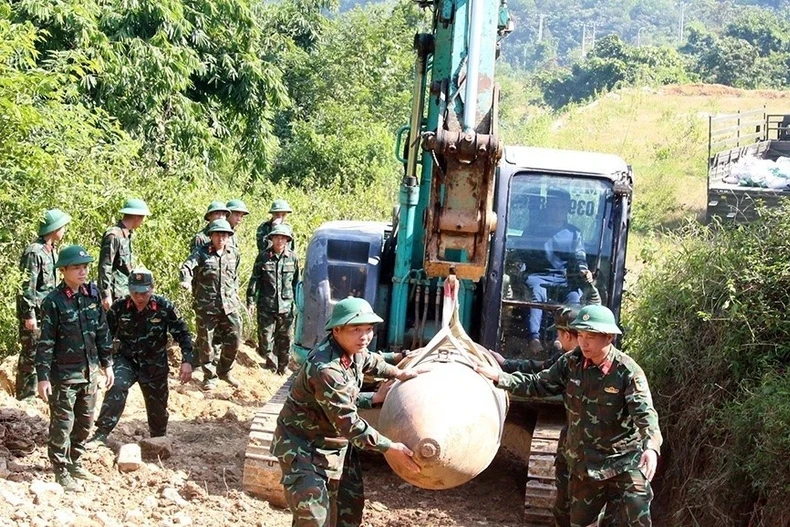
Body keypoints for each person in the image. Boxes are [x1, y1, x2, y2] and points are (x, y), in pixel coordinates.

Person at [477, 305, 662, 527]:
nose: (583, 342)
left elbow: (645, 414)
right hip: (585, 466)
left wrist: (651, 447)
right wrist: (500, 377)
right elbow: (539, 383)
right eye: (581, 335)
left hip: (623, 463)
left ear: (609, 337)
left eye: (591, 336)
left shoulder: (627, 372)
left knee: (637, 518)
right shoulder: (571, 362)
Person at [271, 297, 422, 527]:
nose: (364, 336)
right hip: (303, 448)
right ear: (337, 330)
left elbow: (372, 361)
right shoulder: (326, 369)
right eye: (356, 329)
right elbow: (349, 424)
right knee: (314, 520)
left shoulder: (354, 350)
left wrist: (398, 370)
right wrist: (389, 447)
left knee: (348, 514)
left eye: (369, 329)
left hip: (335, 445)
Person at [36, 245, 114, 492]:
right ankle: (60, 470)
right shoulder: (53, 302)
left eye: (85, 267)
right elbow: (46, 341)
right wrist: (42, 377)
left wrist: (107, 364)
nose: (82, 272)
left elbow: (102, 332)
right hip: (64, 375)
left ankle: (75, 461)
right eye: (76, 268)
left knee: (85, 421)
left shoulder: (92, 295)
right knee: (62, 424)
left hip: (89, 373)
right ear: (64, 271)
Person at [88, 269, 193, 446]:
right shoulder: (120, 307)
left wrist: (187, 361)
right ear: (129, 289)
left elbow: (183, 334)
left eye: (144, 292)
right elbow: (105, 335)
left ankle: (158, 440)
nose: (140, 297)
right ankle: (101, 433)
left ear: (152, 288)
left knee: (157, 410)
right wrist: (104, 362)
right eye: (135, 292)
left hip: (154, 365)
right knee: (117, 386)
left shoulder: (164, 307)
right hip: (126, 360)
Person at [16, 209, 72, 400]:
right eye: (62, 226)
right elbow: (27, 286)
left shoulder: (51, 250)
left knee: (45, 353)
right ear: (54, 228)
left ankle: (42, 393)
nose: (64, 230)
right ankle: (26, 398)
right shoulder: (34, 252)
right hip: (35, 315)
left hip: (48, 313)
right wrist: (28, 314)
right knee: (30, 356)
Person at [524, 188, 588, 353]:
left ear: (567, 208)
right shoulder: (532, 230)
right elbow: (522, 254)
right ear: (547, 207)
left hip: (563, 278)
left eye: (561, 207)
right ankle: (534, 339)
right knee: (537, 294)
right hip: (538, 276)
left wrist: (583, 270)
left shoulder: (574, 233)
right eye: (553, 206)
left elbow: (580, 255)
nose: (556, 211)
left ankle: (562, 341)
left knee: (574, 296)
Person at [180, 219, 242, 390]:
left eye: (224, 235)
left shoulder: (233, 253)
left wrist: (234, 294)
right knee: (206, 342)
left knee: (234, 339)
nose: (221, 238)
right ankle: (210, 376)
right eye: (217, 235)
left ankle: (225, 371)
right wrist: (185, 281)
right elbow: (186, 267)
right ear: (211, 236)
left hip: (228, 305)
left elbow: (235, 277)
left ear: (229, 237)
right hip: (206, 306)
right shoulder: (201, 252)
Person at [246, 224, 299, 375]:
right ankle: (271, 364)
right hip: (266, 305)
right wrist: (250, 300)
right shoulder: (263, 257)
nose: (279, 240)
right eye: (276, 237)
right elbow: (254, 279)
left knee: (286, 338)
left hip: (286, 306)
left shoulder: (293, 258)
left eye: (282, 238)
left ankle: (283, 367)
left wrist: (299, 304)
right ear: (272, 239)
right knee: (265, 338)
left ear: (287, 240)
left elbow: (296, 282)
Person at [99, 198, 151, 311]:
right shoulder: (113, 235)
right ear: (137, 217)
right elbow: (105, 266)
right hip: (114, 294)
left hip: (126, 291)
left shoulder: (126, 235)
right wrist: (105, 295)